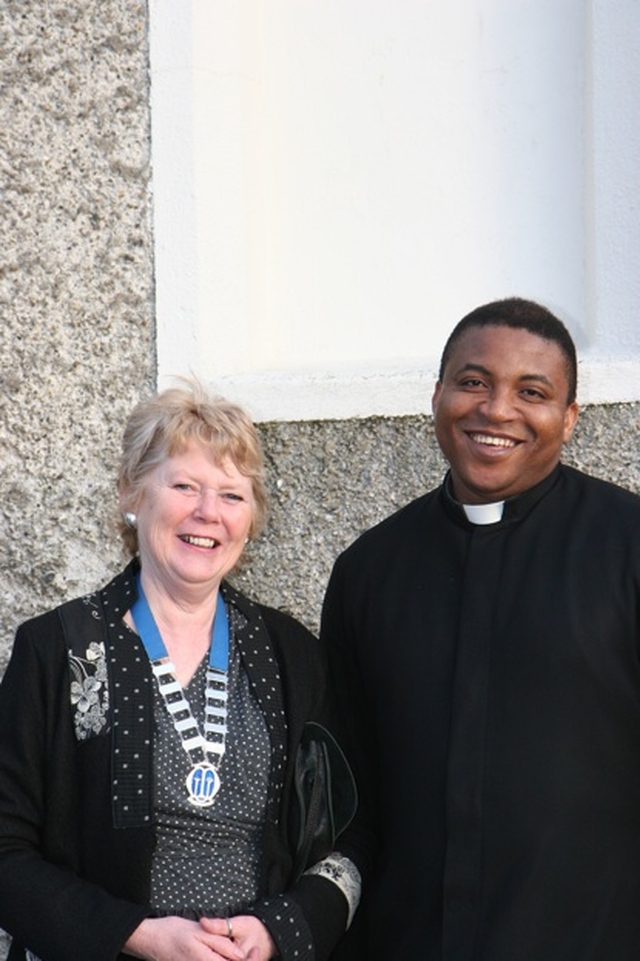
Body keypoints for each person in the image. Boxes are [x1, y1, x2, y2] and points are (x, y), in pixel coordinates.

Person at [0, 381, 366, 961]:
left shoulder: (291, 653)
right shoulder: (56, 650)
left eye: (231, 495)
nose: (207, 513)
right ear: (131, 493)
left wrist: (278, 930)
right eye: (184, 486)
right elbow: (5, 850)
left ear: (251, 520)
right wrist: (137, 935)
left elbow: (349, 834)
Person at [321, 297, 640, 960]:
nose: (496, 409)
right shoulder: (369, 572)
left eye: (533, 391)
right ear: (436, 395)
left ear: (570, 417)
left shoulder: (628, 545)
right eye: (473, 382)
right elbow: (348, 802)